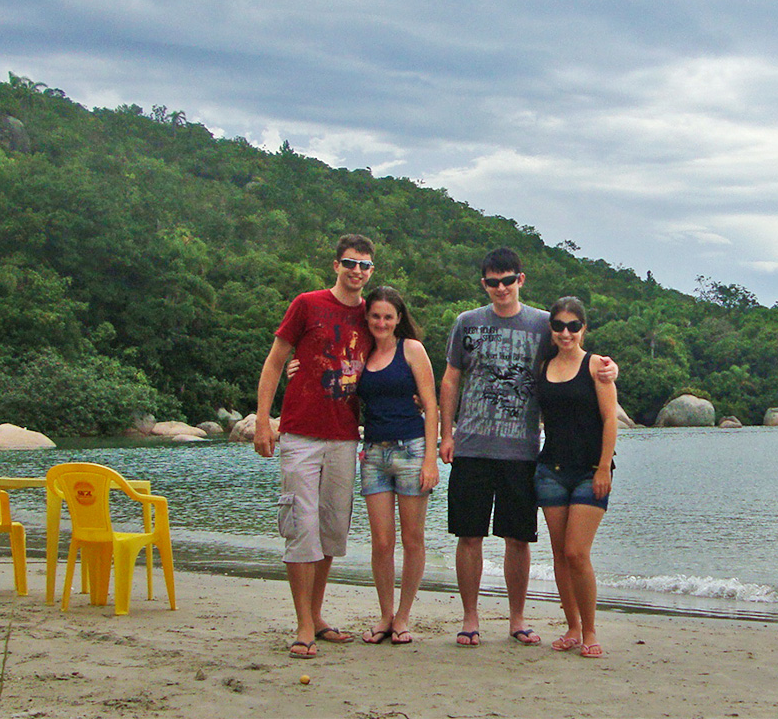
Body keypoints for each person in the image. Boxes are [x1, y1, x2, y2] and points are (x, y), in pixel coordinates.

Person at [438, 247, 617, 648]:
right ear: (483, 283)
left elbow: (578, 358)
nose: (500, 288)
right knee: (468, 536)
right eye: (492, 282)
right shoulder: (467, 323)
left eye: (507, 280)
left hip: (523, 451)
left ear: (521, 279)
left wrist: (610, 369)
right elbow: (450, 380)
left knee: (518, 539)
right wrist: (446, 433)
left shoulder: (543, 324)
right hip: (471, 446)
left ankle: (517, 618)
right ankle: (470, 617)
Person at [253, 234, 375, 660]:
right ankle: (303, 623)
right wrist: (264, 422)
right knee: (300, 527)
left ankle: (317, 616)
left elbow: (391, 359)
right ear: (335, 265)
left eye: (364, 265)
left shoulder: (373, 314)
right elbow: (274, 360)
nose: (356, 271)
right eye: (349, 263)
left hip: (345, 436)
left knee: (329, 530)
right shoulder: (307, 303)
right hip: (301, 432)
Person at [355, 286, 440, 646]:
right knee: (381, 541)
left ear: (399, 319)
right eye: (375, 315)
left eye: (388, 316)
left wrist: (431, 460)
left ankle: (404, 617)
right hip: (373, 453)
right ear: (368, 317)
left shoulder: (412, 350)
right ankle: (385, 615)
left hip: (411, 450)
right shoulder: (362, 353)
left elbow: (432, 406)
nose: (381, 322)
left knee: (413, 538)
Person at [535, 297, 617, 657]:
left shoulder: (597, 365)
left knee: (577, 553)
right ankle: (571, 626)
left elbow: (611, 418)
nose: (565, 332)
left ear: (583, 329)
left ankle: (591, 630)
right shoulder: (543, 366)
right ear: (551, 330)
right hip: (550, 469)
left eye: (573, 326)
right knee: (559, 554)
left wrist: (603, 467)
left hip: (589, 472)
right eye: (558, 326)